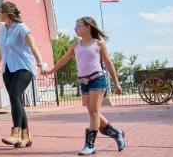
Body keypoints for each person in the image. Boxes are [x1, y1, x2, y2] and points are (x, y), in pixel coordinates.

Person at [42, 16, 126, 155]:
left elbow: (109, 64)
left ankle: (90, 145)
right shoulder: (76, 44)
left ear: (88, 27)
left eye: (79, 26)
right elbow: (64, 59)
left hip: (97, 79)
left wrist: (116, 83)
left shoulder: (98, 43)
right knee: (93, 113)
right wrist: (50, 71)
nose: (76, 28)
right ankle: (117, 133)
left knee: (93, 112)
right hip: (83, 82)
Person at [0, 2, 45, 148]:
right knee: (16, 100)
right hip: (8, 69)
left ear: (6, 13)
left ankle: (15, 133)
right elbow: (1, 49)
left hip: (24, 67)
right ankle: (26, 136)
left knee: (15, 95)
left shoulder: (22, 28)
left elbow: (33, 46)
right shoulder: (3, 29)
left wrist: (41, 64)